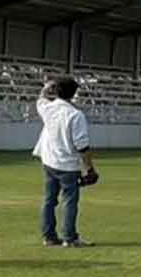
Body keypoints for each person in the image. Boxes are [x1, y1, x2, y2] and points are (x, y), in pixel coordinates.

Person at [34, 77, 97, 247]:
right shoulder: (75, 115)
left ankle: (49, 236)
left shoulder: (48, 108)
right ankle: (69, 237)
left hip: (49, 160)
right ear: (74, 94)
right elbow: (82, 146)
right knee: (69, 201)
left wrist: (47, 88)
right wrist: (90, 169)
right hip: (68, 164)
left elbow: (40, 99)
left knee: (49, 200)